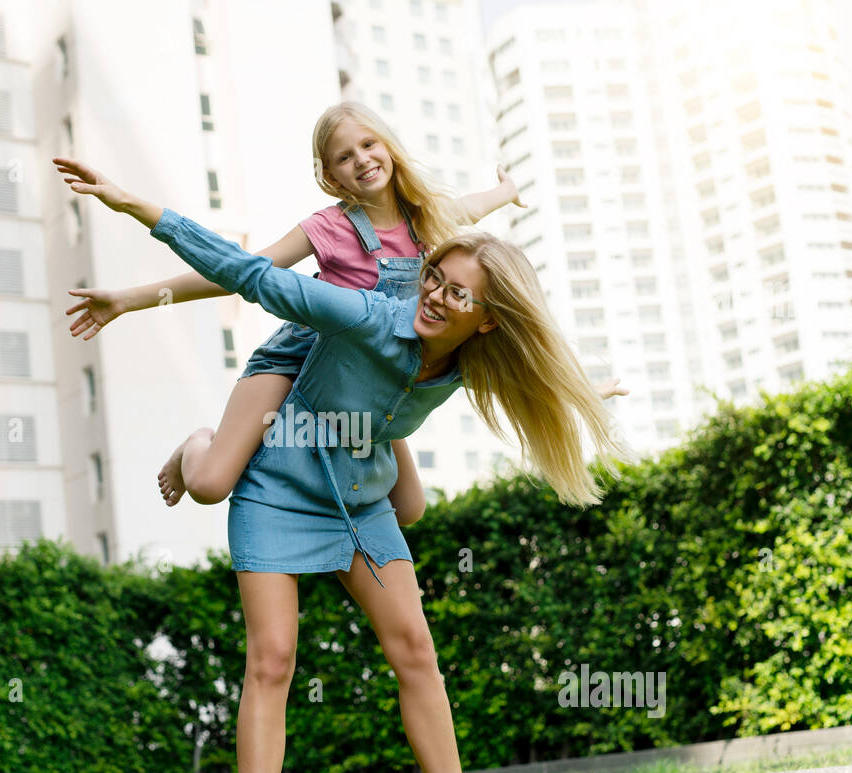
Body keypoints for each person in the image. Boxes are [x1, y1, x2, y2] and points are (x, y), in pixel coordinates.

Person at [55, 160, 637, 773]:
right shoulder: (364, 315)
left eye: (457, 294)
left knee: (416, 651)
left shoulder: (475, 361)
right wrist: (137, 207)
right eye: (433, 278)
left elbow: (541, 368)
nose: (435, 295)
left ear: (486, 320)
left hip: (362, 500)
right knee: (272, 659)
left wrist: (588, 391)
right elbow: (252, 273)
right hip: (279, 485)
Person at [55, 102, 626, 529]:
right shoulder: (327, 228)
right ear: (330, 176)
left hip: (380, 372)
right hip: (299, 363)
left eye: (369, 146)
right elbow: (239, 271)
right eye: (344, 158)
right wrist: (131, 298)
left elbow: (476, 209)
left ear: (390, 148)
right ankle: (197, 444)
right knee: (209, 485)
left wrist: (506, 190)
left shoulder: (429, 218)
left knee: (410, 509)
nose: (361, 161)